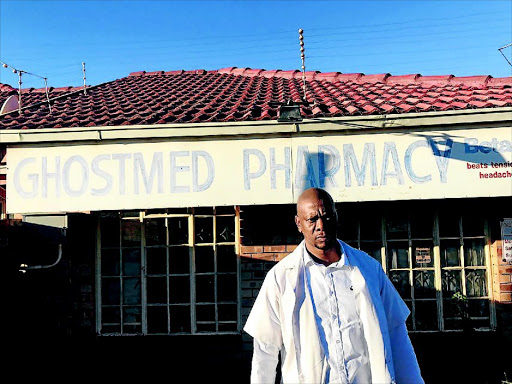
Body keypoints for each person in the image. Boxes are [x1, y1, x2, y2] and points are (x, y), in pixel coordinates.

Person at [244, 187, 424, 384]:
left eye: (326, 216)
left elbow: (397, 334)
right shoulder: (281, 279)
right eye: (312, 219)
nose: (321, 225)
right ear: (299, 223)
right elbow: (265, 351)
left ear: (336, 216)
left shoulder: (368, 269)